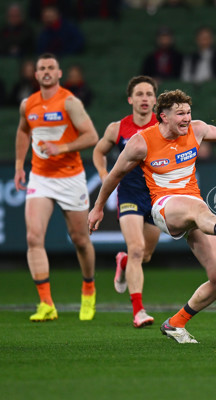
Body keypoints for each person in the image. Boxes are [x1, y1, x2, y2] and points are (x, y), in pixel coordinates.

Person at [88, 89, 216, 343]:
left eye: (189, 112)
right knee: (197, 208)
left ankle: (176, 323)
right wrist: (98, 207)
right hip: (164, 207)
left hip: (196, 212)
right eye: (180, 113)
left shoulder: (196, 129)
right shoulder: (141, 142)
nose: (187, 118)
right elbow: (114, 175)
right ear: (163, 117)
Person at [14, 53, 99, 322]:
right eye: (42, 68)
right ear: (36, 74)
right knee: (33, 238)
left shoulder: (70, 102)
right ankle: (46, 304)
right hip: (40, 177)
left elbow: (92, 136)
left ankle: (88, 289)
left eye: (51, 67)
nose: (47, 71)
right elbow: (23, 131)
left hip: (70, 177)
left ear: (59, 73)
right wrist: (19, 165)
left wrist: (61, 147)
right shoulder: (28, 104)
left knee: (80, 240)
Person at [92, 76, 161, 328]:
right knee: (136, 249)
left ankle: (122, 262)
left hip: (155, 197)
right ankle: (138, 311)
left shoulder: (163, 126)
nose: (144, 98)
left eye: (149, 94)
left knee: (146, 255)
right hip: (129, 194)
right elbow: (98, 151)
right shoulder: (117, 128)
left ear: (155, 100)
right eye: (139, 94)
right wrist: (105, 176)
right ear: (130, 99)